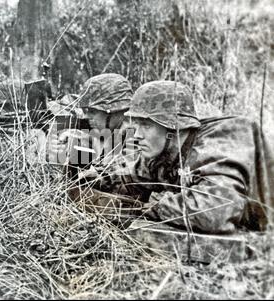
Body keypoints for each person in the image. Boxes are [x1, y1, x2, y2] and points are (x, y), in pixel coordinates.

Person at [95, 80, 271, 234]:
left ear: (174, 129)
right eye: (137, 124)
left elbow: (214, 213)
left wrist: (156, 205)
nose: (136, 135)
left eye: (146, 126)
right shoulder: (167, 150)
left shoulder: (213, 149)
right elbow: (135, 176)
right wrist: (102, 178)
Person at [47, 73, 133, 173]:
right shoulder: (117, 128)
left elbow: (111, 181)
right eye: (86, 111)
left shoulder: (137, 139)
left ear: (114, 111)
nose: (86, 116)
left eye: (93, 111)